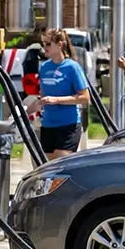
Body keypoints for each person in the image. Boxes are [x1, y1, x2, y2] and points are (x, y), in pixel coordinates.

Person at [38, 29, 90, 160]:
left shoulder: (72, 67)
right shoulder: (44, 68)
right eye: (43, 44)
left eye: (48, 44)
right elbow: (43, 97)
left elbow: (85, 98)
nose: (45, 48)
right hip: (48, 125)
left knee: (61, 166)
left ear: (59, 45)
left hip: (68, 125)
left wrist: (57, 100)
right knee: (48, 169)